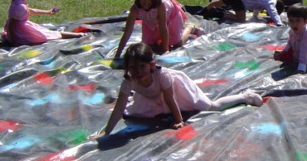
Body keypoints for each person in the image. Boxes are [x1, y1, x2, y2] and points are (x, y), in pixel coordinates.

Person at [97, 42, 264, 136]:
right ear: (127, 68)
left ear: (152, 65)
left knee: (211, 107)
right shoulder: (129, 80)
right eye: (133, 67)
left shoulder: (163, 76)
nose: (138, 71)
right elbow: (118, 109)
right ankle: (147, 104)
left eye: (142, 66)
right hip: (151, 97)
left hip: (175, 91)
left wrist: (178, 120)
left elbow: (170, 99)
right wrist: (106, 132)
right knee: (132, 112)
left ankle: (244, 96)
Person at [114, 0, 201, 59]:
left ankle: (189, 28)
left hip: (170, 17)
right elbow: (127, 32)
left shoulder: (160, 5)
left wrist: (165, 50)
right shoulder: (135, 9)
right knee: (147, 46)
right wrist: (118, 54)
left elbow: (163, 27)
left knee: (177, 44)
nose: (146, 1)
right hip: (151, 22)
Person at [2, 0, 87, 46]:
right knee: (49, 36)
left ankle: (78, 35)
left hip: (20, 30)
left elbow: (31, 10)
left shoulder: (17, 3)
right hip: (21, 32)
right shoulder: (20, 8)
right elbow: (12, 25)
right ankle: (80, 35)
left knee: (49, 34)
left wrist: (47, 12)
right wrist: (13, 41)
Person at [274, 4, 307, 73]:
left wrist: (301, 68)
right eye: (291, 21)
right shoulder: (293, 30)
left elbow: (305, 52)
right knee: (278, 56)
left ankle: (301, 67)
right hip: (296, 52)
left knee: (298, 67)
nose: (294, 24)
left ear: (305, 21)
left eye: (298, 20)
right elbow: (290, 41)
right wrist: (284, 51)